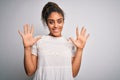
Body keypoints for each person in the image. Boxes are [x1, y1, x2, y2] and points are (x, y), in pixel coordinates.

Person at [18, 2, 89, 80]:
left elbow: (73, 73)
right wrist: (27, 48)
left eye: (59, 21)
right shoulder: (38, 41)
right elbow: (29, 72)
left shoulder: (70, 43)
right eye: (51, 22)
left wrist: (80, 50)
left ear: (63, 22)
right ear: (47, 23)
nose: (56, 26)